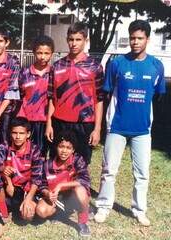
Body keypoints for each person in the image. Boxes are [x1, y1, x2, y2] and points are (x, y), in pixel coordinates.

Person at [94, 20, 166, 226]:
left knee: (142, 173)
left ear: (148, 40)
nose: (135, 42)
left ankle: (139, 209)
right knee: (109, 170)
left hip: (143, 130)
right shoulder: (117, 64)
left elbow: (158, 97)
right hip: (116, 126)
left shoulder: (156, 66)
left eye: (140, 38)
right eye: (132, 38)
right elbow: (106, 93)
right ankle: (103, 206)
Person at [45, 22, 104, 164]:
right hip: (60, 122)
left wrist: (97, 129)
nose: (74, 43)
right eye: (71, 39)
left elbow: (99, 100)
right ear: (67, 40)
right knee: (57, 161)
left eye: (78, 40)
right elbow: (51, 97)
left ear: (86, 40)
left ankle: (78, 186)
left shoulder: (95, 67)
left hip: (84, 123)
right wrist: (49, 124)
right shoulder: (57, 66)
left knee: (81, 164)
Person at [36, 130, 91, 237]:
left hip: (73, 196)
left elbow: (85, 180)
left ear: (73, 150)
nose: (64, 151)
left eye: (68, 148)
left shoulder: (77, 160)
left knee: (81, 190)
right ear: (56, 147)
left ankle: (82, 221)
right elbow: (41, 184)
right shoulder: (47, 165)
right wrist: (47, 193)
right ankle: (60, 213)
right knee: (41, 211)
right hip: (57, 198)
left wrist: (61, 185)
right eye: (61, 146)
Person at [0, 117, 44, 221]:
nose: (17, 137)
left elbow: (37, 178)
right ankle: (4, 209)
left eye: (21, 133)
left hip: (26, 189)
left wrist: (28, 199)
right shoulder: (5, 146)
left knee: (27, 216)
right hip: (8, 187)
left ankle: (21, 204)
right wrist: (4, 171)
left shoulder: (34, 150)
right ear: (10, 133)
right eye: (14, 133)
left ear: (28, 134)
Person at [17, 35, 54, 157]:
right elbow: (20, 96)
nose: (42, 56)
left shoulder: (54, 73)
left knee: (42, 155)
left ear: (52, 53)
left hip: (46, 121)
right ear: (34, 52)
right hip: (27, 120)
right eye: (39, 53)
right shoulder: (24, 73)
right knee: (25, 154)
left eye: (46, 53)